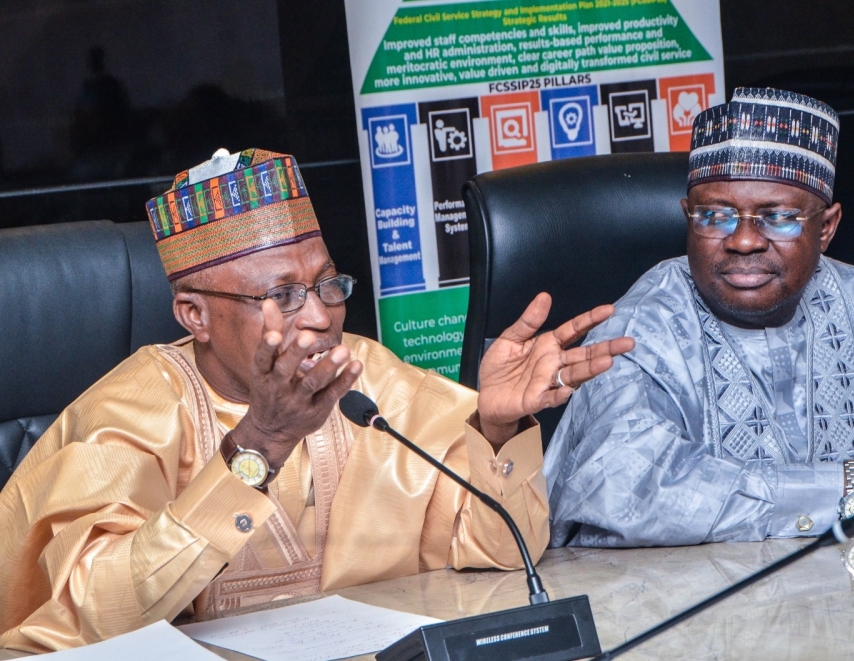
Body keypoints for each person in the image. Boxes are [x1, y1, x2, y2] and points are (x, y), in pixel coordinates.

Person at [0, 148, 633, 651]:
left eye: (328, 284)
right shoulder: (126, 417)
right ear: (195, 314)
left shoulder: (369, 380)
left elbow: (499, 552)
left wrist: (498, 431)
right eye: (283, 296)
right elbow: (97, 621)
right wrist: (261, 443)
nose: (321, 318)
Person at [545, 88, 854, 548]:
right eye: (715, 215)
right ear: (688, 217)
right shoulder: (639, 328)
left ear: (826, 228)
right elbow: (623, 490)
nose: (743, 241)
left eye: (778, 217)